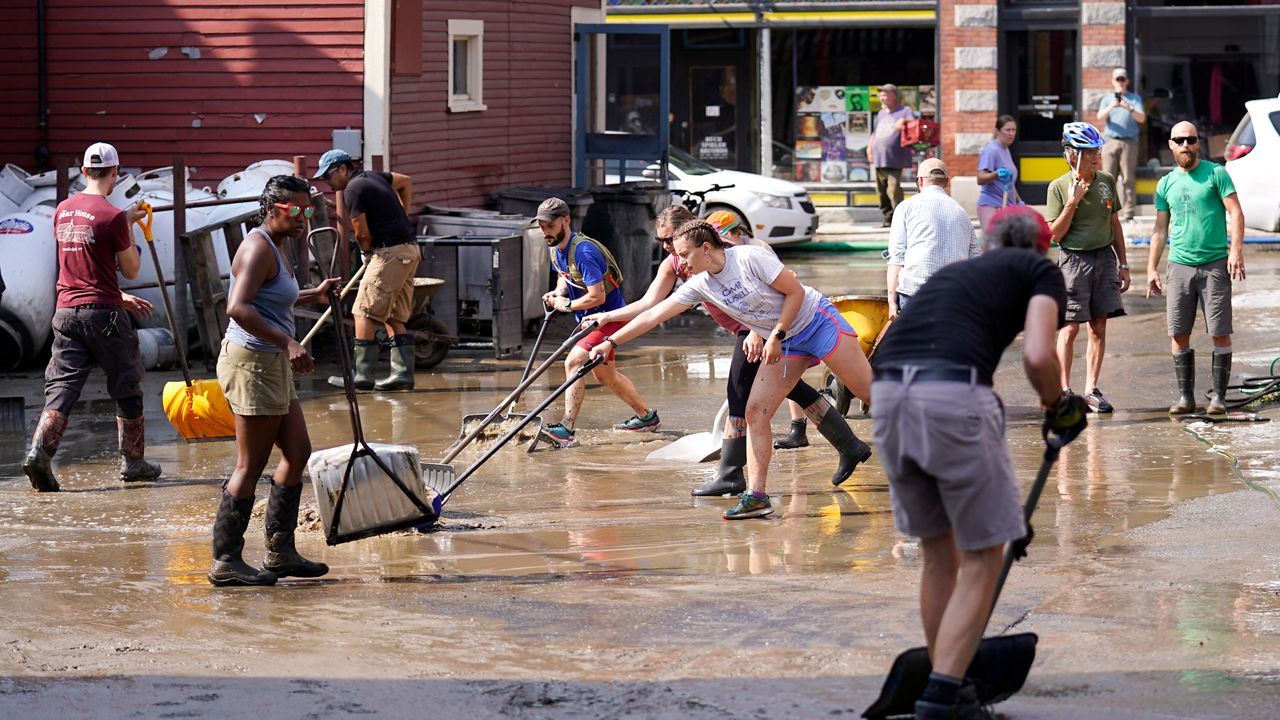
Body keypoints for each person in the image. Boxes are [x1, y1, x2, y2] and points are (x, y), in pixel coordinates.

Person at [870, 206, 1087, 720]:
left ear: (987, 244)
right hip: (950, 393)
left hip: (886, 397)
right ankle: (945, 695)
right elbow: (1039, 356)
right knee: (986, 553)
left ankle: (952, 683)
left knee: (938, 551)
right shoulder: (1039, 270)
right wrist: (1059, 405)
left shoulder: (955, 274)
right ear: (1040, 246)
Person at [589, 220, 873, 520]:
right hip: (788, 342)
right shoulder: (700, 284)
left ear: (706, 249)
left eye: (685, 255)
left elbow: (795, 292)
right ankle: (757, 496)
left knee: (866, 392)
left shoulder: (749, 258)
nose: (680, 263)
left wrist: (775, 334)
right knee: (755, 411)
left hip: (816, 322)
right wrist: (610, 341)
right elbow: (654, 314)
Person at [209, 175, 342, 587]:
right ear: (273, 209)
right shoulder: (256, 247)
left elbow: (272, 297)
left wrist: (312, 295)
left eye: (308, 211)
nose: (304, 218)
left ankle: (279, 552)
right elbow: (238, 306)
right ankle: (226, 560)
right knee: (250, 464)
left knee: (299, 451)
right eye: (296, 211)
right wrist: (288, 342)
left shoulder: (276, 245)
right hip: (252, 362)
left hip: (270, 362)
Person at [22, 142, 161, 492]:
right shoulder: (112, 216)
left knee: (62, 385)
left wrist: (123, 220)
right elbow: (129, 269)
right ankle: (133, 462)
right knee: (126, 383)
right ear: (115, 173)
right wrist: (127, 226)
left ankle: (39, 453)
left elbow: (84, 256)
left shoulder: (62, 210)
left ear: (84, 172)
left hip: (66, 311)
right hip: (104, 315)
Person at [536, 196, 660, 449]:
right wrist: (559, 293)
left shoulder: (583, 251)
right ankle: (647, 417)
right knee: (606, 376)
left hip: (609, 317)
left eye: (550, 226)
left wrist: (567, 305)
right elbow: (565, 276)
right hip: (589, 319)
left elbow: (597, 296)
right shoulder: (555, 247)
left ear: (566, 220)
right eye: (541, 226)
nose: (545, 232)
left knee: (574, 361)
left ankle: (566, 429)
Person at [1146, 121, 1246, 415]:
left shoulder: (1216, 174)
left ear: (1198, 143)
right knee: (1178, 333)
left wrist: (1236, 250)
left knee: (1219, 331)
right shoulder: (1165, 183)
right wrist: (1151, 268)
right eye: (1180, 140)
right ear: (1171, 145)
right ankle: (1185, 398)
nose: (1186, 145)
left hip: (1215, 264)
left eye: (1191, 139)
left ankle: (1219, 399)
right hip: (1179, 267)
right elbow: (1160, 230)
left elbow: (1237, 213)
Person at [705, 209, 814, 452]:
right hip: (759, 323)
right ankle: (800, 426)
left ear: (737, 231)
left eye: (726, 239)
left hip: (776, 321)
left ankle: (799, 427)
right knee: (784, 374)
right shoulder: (731, 253)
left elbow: (773, 291)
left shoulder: (757, 248)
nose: (723, 246)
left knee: (786, 372)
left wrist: (757, 331)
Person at [314, 149, 419, 392]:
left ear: (342, 168)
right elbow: (405, 181)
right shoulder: (374, 177)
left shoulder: (352, 190)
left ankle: (361, 375)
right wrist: (404, 212)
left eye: (329, 177)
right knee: (393, 315)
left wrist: (366, 252)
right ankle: (402, 374)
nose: (328, 183)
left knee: (362, 311)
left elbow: (361, 232)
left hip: (389, 252)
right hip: (409, 249)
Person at [1046, 122, 1131, 413]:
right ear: (1072, 155)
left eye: (1097, 151)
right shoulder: (1058, 187)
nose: (1097, 157)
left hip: (1104, 259)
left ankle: (1091, 390)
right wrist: (1073, 201)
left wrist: (1124, 263)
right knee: (1069, 328)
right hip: (1073, 261)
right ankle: (1064, 391)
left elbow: (1115, 224)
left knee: (1099, 326)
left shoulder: (1106, 179)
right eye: (1090, 152)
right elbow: (1055, 236)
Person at [885, 158, 980, 321]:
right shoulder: (962, 213)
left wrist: (892, 302)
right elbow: (975, 260)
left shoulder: (906, 207)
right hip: (955, 294)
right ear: (947, 182)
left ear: (920, 181)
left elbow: (897, 257)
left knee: (916, 345)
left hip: (915, 292)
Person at [1096, 68, 1146, 224]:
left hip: (1129, 142)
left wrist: (1128, 107)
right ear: (1113, 81)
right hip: (1110, 141)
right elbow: (1100, 117)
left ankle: (1129, 214)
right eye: (1118, 79)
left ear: (1127, 81)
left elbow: (1142, 119)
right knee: (1107, 178)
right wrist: (1112, 106)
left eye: (1123, 79)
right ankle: (1106, 212)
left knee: (1127, 178)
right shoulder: (1107, 99)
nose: (1120, 82)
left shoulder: (1134, 99)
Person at [867, 84, 917, 227]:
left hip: (895, 157)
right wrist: (870, 147)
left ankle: (900, 219)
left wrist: (905, 121)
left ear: (894, 96)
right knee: (881, 190)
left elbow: (914, 123)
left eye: (885, 94)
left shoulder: (904, 110)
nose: (882, 97)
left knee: (893, 188)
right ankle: (887, 217)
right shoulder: (881, 113)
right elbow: (875, 132)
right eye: (881, 95)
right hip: (879, 157)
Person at [976, 115, 1023, 231]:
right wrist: (996, 173)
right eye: (1008, 130)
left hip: (1007, 206)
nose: (1011, 134)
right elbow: (980, 178)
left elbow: (1009, 183)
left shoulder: (1006, 149)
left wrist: (1019, 201)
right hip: (992, 205)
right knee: (994, 244)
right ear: (997, 131)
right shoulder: (991, 150)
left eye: (1014, 130)